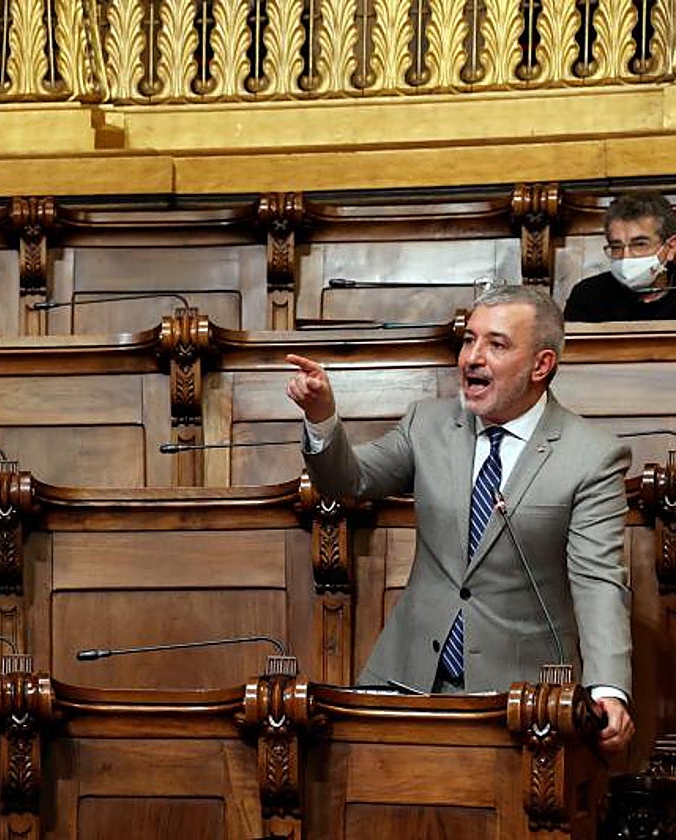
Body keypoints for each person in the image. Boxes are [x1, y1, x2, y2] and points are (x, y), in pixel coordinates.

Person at [286, 285, 634, 753]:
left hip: (523, 699)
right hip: (407, 678)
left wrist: (607, 688)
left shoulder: (591, 456)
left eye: (496, 344)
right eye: (469, 340)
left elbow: (598, 580)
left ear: (541, 365)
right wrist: (322, 416)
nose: (473, 357)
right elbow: (348, 481)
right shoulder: (427, 423)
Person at [565, 191, 676, 322]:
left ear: (670, 247)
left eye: (640, 244)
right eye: (616, 247)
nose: (626, 256)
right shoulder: (588, 295)